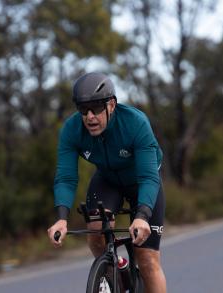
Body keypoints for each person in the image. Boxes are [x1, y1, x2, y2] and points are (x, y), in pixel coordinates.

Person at [47, 72, 167, 293]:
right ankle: (116, 269)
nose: (90, 117)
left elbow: (149, 177)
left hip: (142, 182)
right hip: (107, 179)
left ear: (111, 105)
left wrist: (141, 217)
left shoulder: (135, 123)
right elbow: (66, 177)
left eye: (96, 109)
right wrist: (61, 220)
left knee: (147, 258)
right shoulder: (72, 130)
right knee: (95, 232)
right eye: (83, 110)